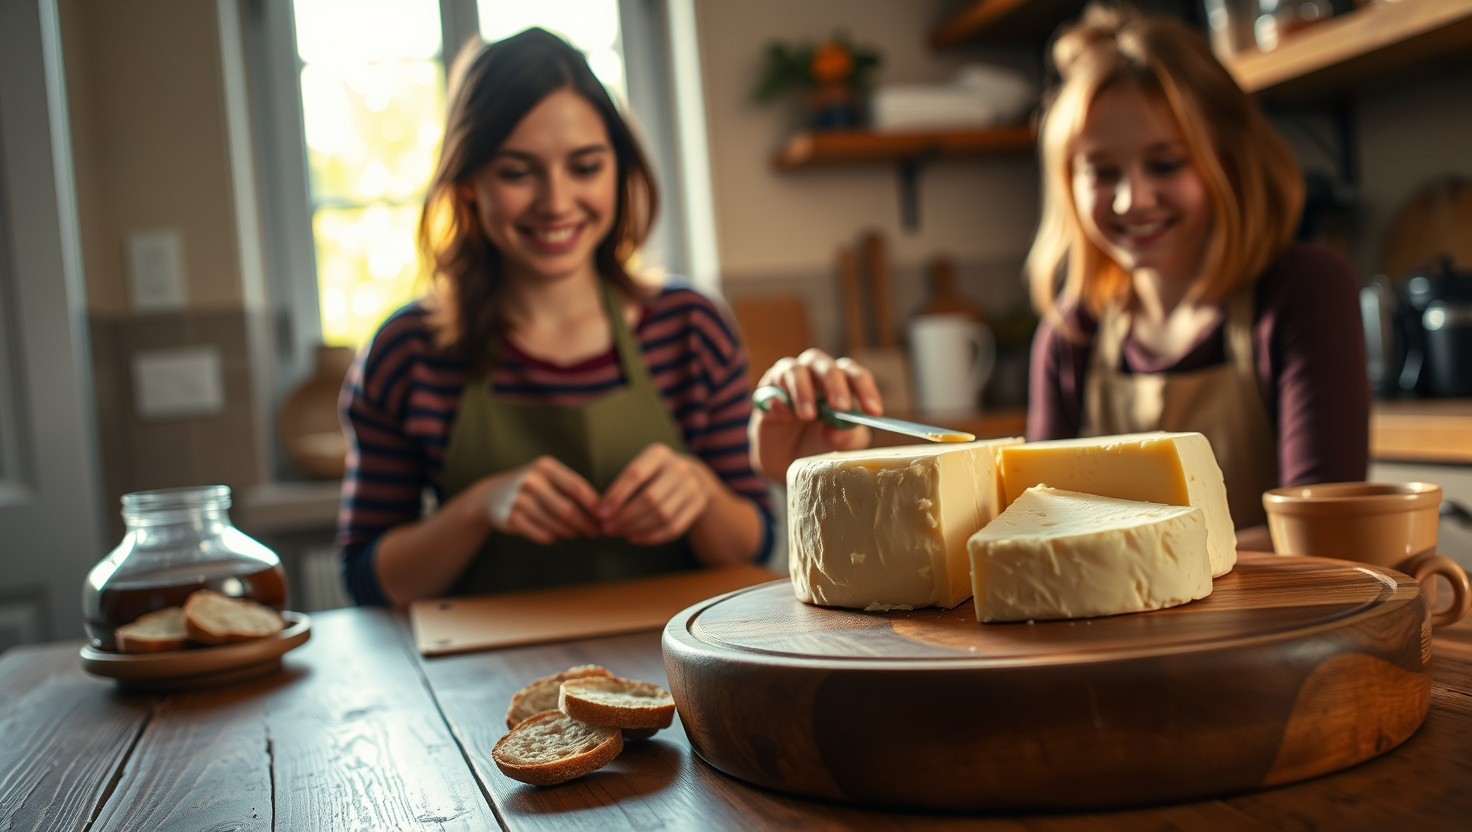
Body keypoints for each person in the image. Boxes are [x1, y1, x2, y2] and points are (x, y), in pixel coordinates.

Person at [750, 5, 1369, 549]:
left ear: (1229, 161)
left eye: (1166, 163)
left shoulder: (1302, 290)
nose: (1133, 200)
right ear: (1068, 185)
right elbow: (1027, 526)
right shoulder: (1072, 333)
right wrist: (831, 471)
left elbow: (1326, 531)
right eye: (1102, 172)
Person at [338, 28, 772, 607]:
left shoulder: (691, 329)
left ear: (620, 170)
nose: (556, 201)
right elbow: (366, 578)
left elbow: (757, 543)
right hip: (484, 679)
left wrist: (701, 494)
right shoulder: (407, 352)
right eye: (518, 172)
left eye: (585, 167)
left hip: (673, 672)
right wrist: (477, 509)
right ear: (469, 186)